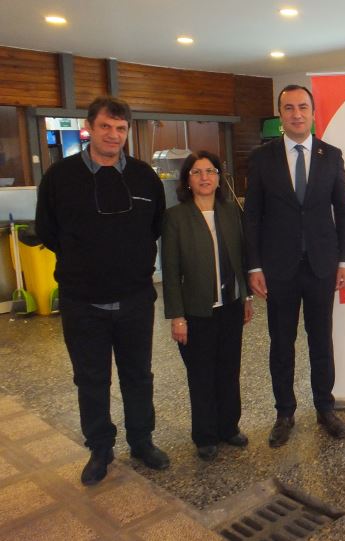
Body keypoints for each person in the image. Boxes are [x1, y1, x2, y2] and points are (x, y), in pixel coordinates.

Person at [35, 96, 170, 485]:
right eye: (106, 126)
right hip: (82, 303)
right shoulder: (60, 177)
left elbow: (155, 227)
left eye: (120, 128)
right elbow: (48, 231)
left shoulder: (144, 177)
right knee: (91, 379)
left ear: (127, 132)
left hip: (135, 299)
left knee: (138, 375)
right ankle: (100, 448)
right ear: (89, 128)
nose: (113, 135)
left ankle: (142, 441)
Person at [244, 84, 345, 445]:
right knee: (281, 343)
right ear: (280, 115)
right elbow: (252, 216)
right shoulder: (262, 158)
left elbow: (344, 212)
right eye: (289, 108)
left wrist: (344, 261)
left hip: (322, 266)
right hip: (279, 269)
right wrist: (254, 267)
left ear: (313, 112)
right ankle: (284, 413)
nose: (296, 114)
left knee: (321, 341)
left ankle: (325, 407)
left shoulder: (331, 156)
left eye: (302, 107)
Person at [161, 151, 253, 461]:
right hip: (196, 312)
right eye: (197, 172)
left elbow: (241, 258)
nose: (204, 177)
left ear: (218, 177)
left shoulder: (230, 211)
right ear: (187, 179)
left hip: (230, 306)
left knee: (229, 370)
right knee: (201, 375)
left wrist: (246, 297)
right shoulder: (176, 217)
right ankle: (205, 435)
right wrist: (177, 316)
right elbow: (170, 271)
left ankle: (229, 427)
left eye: (210, 171)